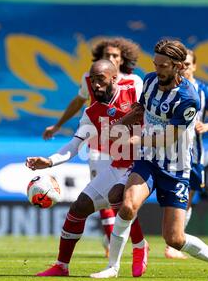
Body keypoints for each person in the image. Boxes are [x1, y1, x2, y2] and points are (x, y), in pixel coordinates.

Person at [91, 39, 208, 279]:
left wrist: (134, 141)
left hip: (175, 169)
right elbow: (139, 110)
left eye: (163, 65)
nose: (158, 69)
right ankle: (112, 267)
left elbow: (169, 138)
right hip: (147, 160)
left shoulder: (189, 98)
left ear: (178, 66)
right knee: (127, 205)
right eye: (156, 64)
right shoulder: (149, 81)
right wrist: (117, 126)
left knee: (174, 239)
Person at [26, 60, 149, 277]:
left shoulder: (134, 91)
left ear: (114, 78)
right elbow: (74, 145)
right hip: (117, 165)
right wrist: (50, 161)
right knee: (78, 208)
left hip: (142, 164)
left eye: (100, 80)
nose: (96, 86)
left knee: (119, 198)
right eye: (92, 81)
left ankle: (139, 247)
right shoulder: (92, 113)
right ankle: (61, 266)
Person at [43, 38, 143, 256]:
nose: (111, 59)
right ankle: (112, 243)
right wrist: (58, 126)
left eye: (115, 56)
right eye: (107, 55)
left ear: (122, 60)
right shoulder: (90, 79)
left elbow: (145, 112)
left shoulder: (133, 83)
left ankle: (137, 244)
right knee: (104, 196)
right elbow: (79, 102)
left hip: (131, 148)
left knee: (120, 198)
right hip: (97, 140)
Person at [164, 49, 208, 259]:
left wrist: (206, 127)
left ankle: (174, 242)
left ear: (195, 66)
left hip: (192, 157)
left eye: (189, 64)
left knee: (185, 201)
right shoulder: (167, 87)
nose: (185, 67)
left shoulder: (204, 91)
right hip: (163, 152)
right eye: (182, 64)